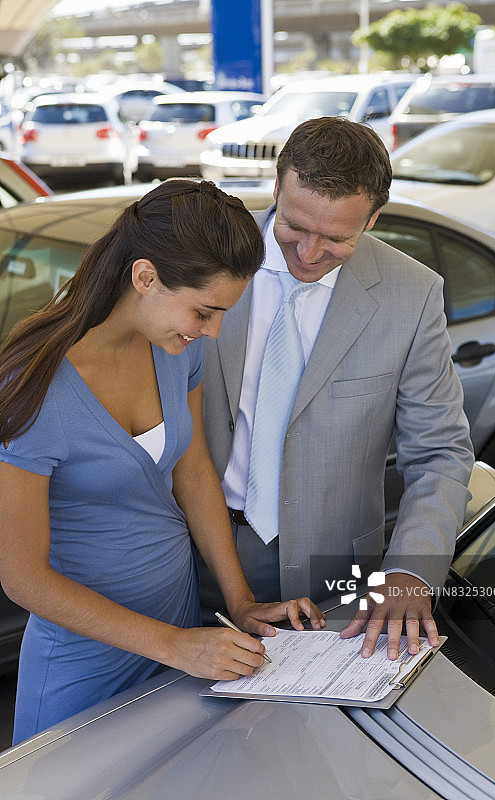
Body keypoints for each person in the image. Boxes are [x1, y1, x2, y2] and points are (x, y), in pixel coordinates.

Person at [0, 179, 324, 745]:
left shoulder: (177, 347)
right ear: (145, 277)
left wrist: (240, 602)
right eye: (204, 311)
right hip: (84, 661)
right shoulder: (31, 385)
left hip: (175, 634)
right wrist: (174, 645)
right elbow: (23, 578)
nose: (212, 331)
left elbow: (193, 470)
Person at [200, 117, 474, 661]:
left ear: (373, 218)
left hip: (337, 583)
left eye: (336, 238)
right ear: (276, 188)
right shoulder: (202, 259)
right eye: (294, 226)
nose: (307, 252)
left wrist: (410, 572)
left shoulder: (413, 295)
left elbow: (440, 452)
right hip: (193, 558)